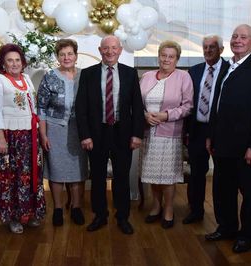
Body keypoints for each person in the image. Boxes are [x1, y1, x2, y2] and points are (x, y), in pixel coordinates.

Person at [205, 24, 251, 253]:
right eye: (235, 36)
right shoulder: (227, 67)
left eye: (243, 37)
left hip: (247, 147)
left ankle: (246, 236)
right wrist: (211, 136)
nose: (237, 40)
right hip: (222, 144)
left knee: (249, 193)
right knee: (222, 190)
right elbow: (218, 106)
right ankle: (226, 227)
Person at [75, 35, 145, 234]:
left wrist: (137, 134)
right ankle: (100, 215)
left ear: (120, 50)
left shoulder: (130, 73)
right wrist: (85, 135)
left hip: (122, 132)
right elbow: (81, 108)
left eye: (114, 48)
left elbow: (137, 107)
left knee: (122, 176)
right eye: (106, 48)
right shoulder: (88, 74)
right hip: (97, 134)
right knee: (97, 177)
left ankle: (122, 217)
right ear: (100, 50)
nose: (110, 52)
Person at [0, 43, 46, 234]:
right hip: (11, 137)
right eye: (9, 60)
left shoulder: (27, 79)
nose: (14, 64)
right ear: (3, 63)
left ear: (22, 62)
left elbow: (32, 108)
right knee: (12, 178)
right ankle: (13, 217)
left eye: (17, 60)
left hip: (30, 135)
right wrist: (0, 138)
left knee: (29, 177)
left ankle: (28, 214)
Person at [139, 40, 193, 229]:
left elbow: (188, 106)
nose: (166, 59)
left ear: (177, 59)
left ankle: (168, 209)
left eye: (171, 56)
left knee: (168, 175)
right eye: (163, 55)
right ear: (158, 56)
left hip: (170, 133)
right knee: (153, 174)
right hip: (149, 133)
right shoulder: (146, 76)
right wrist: (145, 115)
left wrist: (166, 115)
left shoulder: (183, 77)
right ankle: (155, 206)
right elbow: (137, 104)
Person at [38, 39, 88, 227]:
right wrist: (43, 135)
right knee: (57, 170)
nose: (66, 58)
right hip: (54, 129)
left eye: (70, 54)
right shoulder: (49, 77)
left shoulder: (85, 76)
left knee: (78, 169)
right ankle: (58, 209)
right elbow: (41, 108)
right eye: (62, 54)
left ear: (76, 55)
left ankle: (76, 207)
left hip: (79, 129)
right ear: (57, 57)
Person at [183, 35, 229, 224]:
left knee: (222, 176)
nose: (208, 50)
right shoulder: (193, 71)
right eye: (205, 47)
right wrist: (185, 131)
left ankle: (223, 219)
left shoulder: (230, 70)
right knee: (196, 173)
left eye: (212, 47)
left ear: (221, 50)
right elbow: (186, 102)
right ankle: (195, 211)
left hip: (220, 131)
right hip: (197, 130)